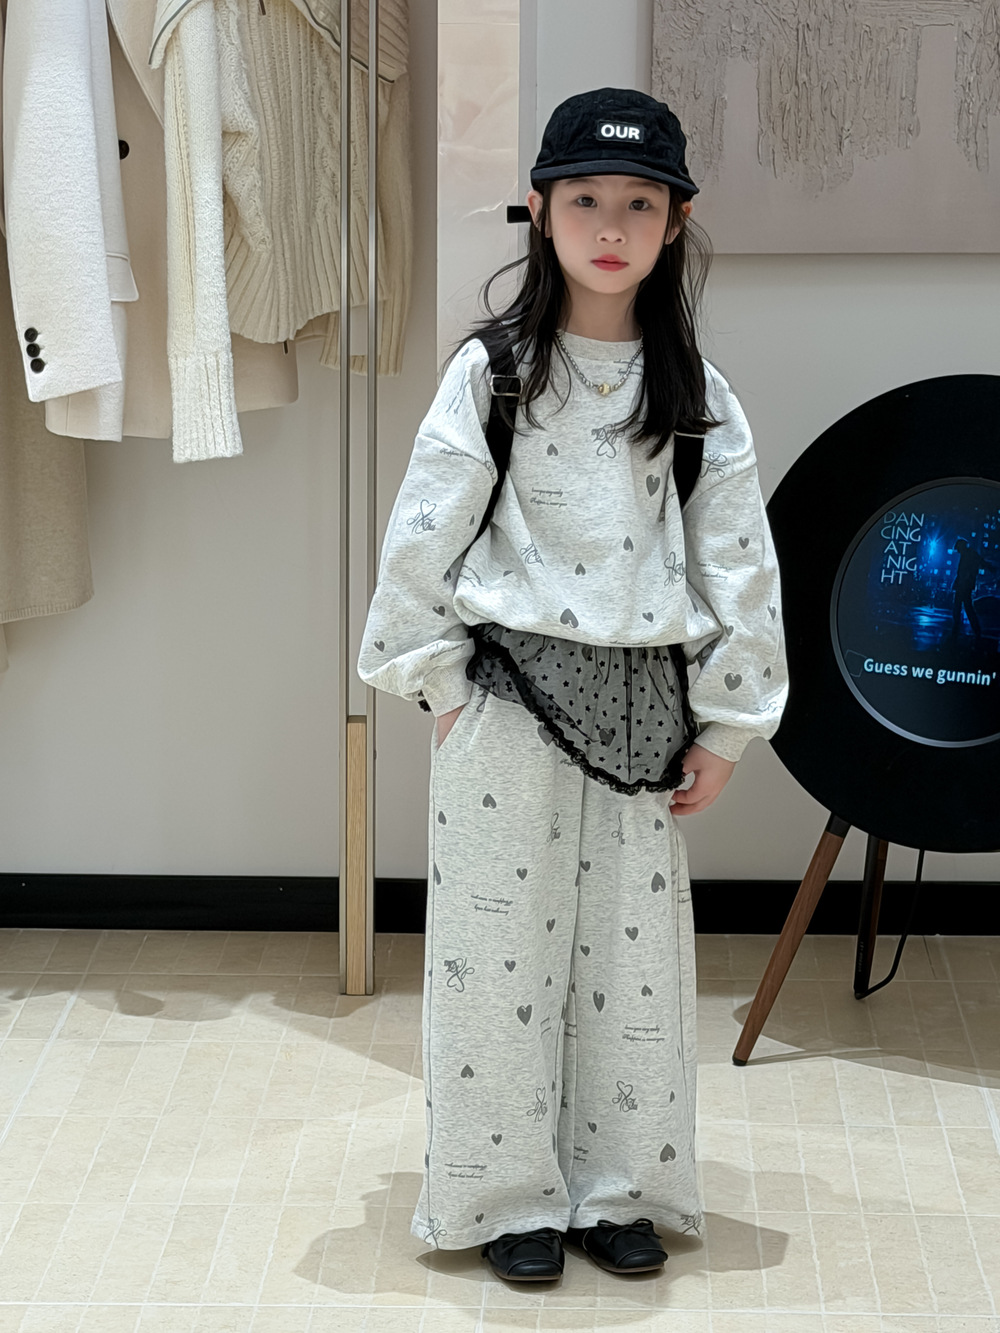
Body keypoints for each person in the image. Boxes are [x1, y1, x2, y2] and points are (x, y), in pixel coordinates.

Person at [358, 87, 787, 1282]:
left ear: (675, 221)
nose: (610, 226)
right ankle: (505, 1198)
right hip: (505, 703)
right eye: (584, 198)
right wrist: (444, 690)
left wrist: (728, 726)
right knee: (495, 959)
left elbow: (738, 564)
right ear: (539, 210)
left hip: (643, 714)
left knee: (631, 963)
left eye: (639, 204)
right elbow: (421, 537)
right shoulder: (494, 376)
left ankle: (620, 1187)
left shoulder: (694, 395)